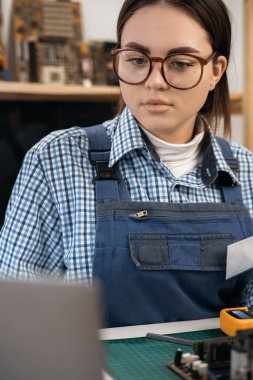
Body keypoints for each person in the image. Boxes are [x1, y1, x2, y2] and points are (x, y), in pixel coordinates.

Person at [0, 0, 253, 327]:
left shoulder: (246, 173)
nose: (155, 81)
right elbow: (16, 312)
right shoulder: (56, 160)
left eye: (180, 63)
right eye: (137, 59)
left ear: (215, 71)